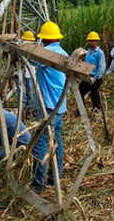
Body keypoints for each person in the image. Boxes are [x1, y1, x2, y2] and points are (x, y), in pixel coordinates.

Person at [31, 21, 68, 192]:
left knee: (41, 142)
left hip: (48, 106)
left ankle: (39, 183)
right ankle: (56, 176)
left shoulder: (46, 54)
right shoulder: (63, 52)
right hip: (60, 106)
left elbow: (31, 59)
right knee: (57, 141)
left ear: (44, 39)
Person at [78, 31, 106, 111]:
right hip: (88, 76)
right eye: (90, 40)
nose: (91, 42)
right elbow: (86, 63)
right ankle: (81, 109)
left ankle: (96, 108)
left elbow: (101, 67)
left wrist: (96, 78)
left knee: (94, 92)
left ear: (96, 41)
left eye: (93, 40)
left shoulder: (100, 53)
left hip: (96, 77)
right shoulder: (88, 52)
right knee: (80, 89)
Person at [14, 30, 36, 111]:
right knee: (28, 93)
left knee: (23, 93)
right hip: (25, 73)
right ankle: (26, 109)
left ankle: (25, 109)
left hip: (25, 73)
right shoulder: (23, 46)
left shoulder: (20, 45)